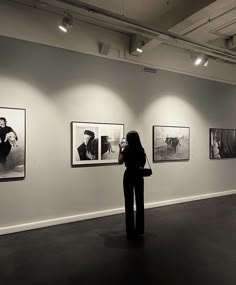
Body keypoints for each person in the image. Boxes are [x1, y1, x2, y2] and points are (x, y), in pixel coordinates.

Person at [118, 130, 146, 239]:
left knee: (129, 203)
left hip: (129, 175)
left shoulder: (127, 149)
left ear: (128, 139)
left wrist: (120, 149)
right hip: (139, 175)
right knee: (140, 202)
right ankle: (140, 228)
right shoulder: (141, 149)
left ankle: (130, 229)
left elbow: (120, 161)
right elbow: (143, 164)